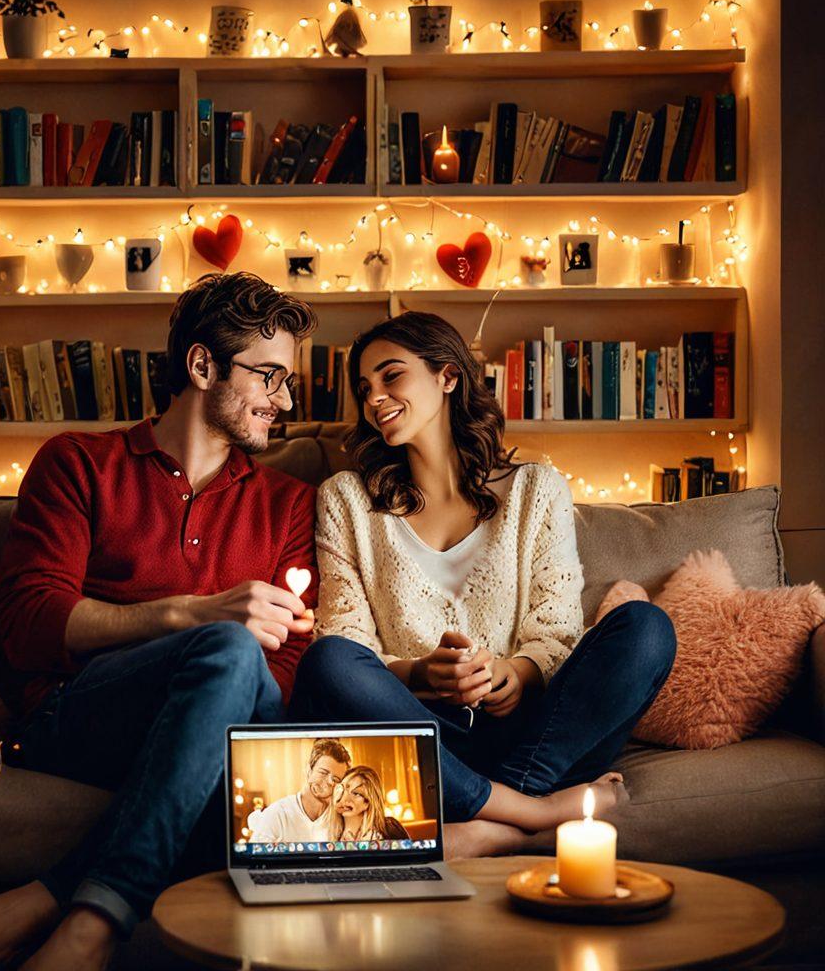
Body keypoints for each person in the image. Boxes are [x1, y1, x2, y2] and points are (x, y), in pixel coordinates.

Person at [0, 272, 319, 971]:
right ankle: (92, 926)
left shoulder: (289, 505)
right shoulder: (79, 463)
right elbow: (32, 626)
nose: (282, 400)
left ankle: (66, 909)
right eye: (269, 376)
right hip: (79, 719)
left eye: (286, 382)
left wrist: (222, 651)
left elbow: (277, 679)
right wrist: (196, 615)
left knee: (239, 697)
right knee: (225, 648)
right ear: (201, 364)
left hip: (221, 733)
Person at [289, 312, 676, 858]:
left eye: (391, 376)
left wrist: (512, 673)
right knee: (327, 658)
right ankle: (529, 814)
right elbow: (349, 643)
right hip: (421, 737)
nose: (375, 397)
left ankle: (480, 819)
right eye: (364, 388)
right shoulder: (347, 500)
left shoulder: (537, 490)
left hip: (530, 733)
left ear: (448, 376)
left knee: (646, 628)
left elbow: (557, 633)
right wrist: (422, 672)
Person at [247, 737, 351, 843]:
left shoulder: (340, 819)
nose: (330, 782)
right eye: (323, 773)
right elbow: (252, 857)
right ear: (309, 770)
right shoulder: (278, 813)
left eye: (336, 779)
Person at [329, 765, 409, 842]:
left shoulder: (389, 828)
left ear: (369, 802)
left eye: (356, 793)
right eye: (343, 789)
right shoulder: (326, 831)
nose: (345, 798)